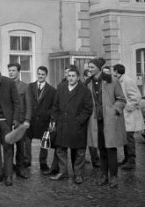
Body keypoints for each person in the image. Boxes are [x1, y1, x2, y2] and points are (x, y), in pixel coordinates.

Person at [86, 57, 126, 188]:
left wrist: (114, 111)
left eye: (92, 67)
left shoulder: (112, 81)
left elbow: (121, 99)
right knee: (101, 149)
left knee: (111, 149)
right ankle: (104, 176)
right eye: (89, 67)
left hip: (109, 121)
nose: (89, 69)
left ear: (99, 68)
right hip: (96, 122)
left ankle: (113, 177)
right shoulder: (88, 83)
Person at [50, 67, 93, 184]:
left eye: (73, 76)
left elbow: (88, 108)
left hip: (77, 126)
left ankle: (78, 174)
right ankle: (62, 172)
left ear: (78, 77)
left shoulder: (84, 90)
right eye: (69, 76)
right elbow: (55, 106)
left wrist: (79, 121)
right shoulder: (61, 88)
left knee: (79, 151)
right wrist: (55, 119)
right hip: (62, 125)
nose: (71, 78)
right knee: (60, 150)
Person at [0, 69, 20, 186]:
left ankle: (9, 175)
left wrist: (15, 119)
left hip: (6, 121)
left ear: (0, 78)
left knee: (8, 148)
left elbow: (16, 102)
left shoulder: (9, 83)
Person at [25, 66, 57, 172]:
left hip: (44, 120)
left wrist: (50, 118)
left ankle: (43, 163)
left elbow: (54, 106)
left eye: (43, 74)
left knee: (44, 142)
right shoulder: (29, 87)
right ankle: (27, 160)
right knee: (27, 140)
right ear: (36, 74)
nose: (40, 76)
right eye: (39, 74)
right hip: (31, 119)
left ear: (46, 75)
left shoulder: (52, 90)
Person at [113, 64, 144, 170]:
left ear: (117, 71)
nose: (113, 73)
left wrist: (126, 107)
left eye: (114, 71)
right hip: (125, 115)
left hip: (129, 114)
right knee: (125, 137)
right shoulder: (121, 80)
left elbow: (136, 96)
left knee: (129, 138)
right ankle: (126, 159)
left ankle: (131, 161)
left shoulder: (127, 81)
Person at [7, 62, 31, 179]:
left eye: (13, 70)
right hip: (8, 120)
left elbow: (29, 105)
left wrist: (27, 119)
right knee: (8, 145)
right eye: (10, 70)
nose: (11, 72)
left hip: (21, 121)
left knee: (21, 146)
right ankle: (9, 167)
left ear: (18, 72)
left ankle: (20, 168)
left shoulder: (24, 86)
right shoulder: (6, 85)